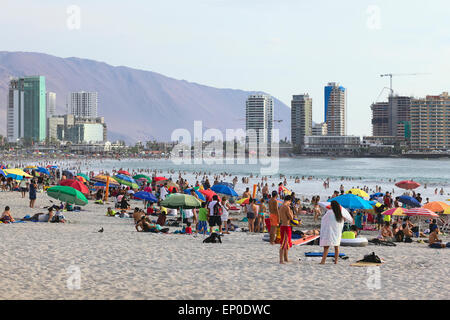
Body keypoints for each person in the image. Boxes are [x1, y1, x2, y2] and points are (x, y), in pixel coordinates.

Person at [319, 200, 353, 265]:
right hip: (337, 233)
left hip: (329, 232)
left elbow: (324, 220)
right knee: (336, 247)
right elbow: (343, 221)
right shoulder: (340, 214)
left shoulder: (329, 212)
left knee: (326, 247)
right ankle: (336, 261)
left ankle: (323, 261)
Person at [279, 195, 294, 264]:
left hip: (283, 225)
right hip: (286, 226)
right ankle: (281, 260)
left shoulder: (281, 206)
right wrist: (291, 211)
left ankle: (285, 258)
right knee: (283, 243)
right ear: (289, 200)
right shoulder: (287, 207)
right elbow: (291, 218)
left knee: (286, 243)